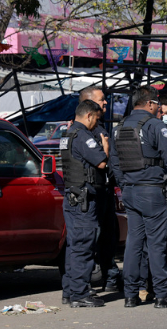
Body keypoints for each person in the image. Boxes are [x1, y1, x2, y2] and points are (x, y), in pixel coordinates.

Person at [110, 85, 167, 308]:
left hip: (131, 191)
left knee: (134, 243)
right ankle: (163, 295)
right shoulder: (154, 125)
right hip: (152, 190)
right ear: (151, 103)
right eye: (159, 107)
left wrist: (125, 185)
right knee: (156, 244)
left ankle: (130, 295)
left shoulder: (119, 127)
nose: (162, 112)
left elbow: (115, 163)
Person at [60, 100, 109, 307]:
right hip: (83, 201)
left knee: (74, 246)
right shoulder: (82, 135)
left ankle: (70, 291)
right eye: (96, 119)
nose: (96, 123)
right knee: (83, 246)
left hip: (72, 196)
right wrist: (105, 147)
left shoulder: (68, 134)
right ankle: (80, 294)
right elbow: (101, 162)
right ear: (88, 115)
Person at [78, 86, 122, 293]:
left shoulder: (99, 127)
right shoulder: (86, 131)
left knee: (108, 236)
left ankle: (111, 275)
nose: (106, 103)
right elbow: (103, 162)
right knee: (93, 238)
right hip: (92, 190)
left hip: (104, 190)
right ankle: (85, 284)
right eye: (102, 100)